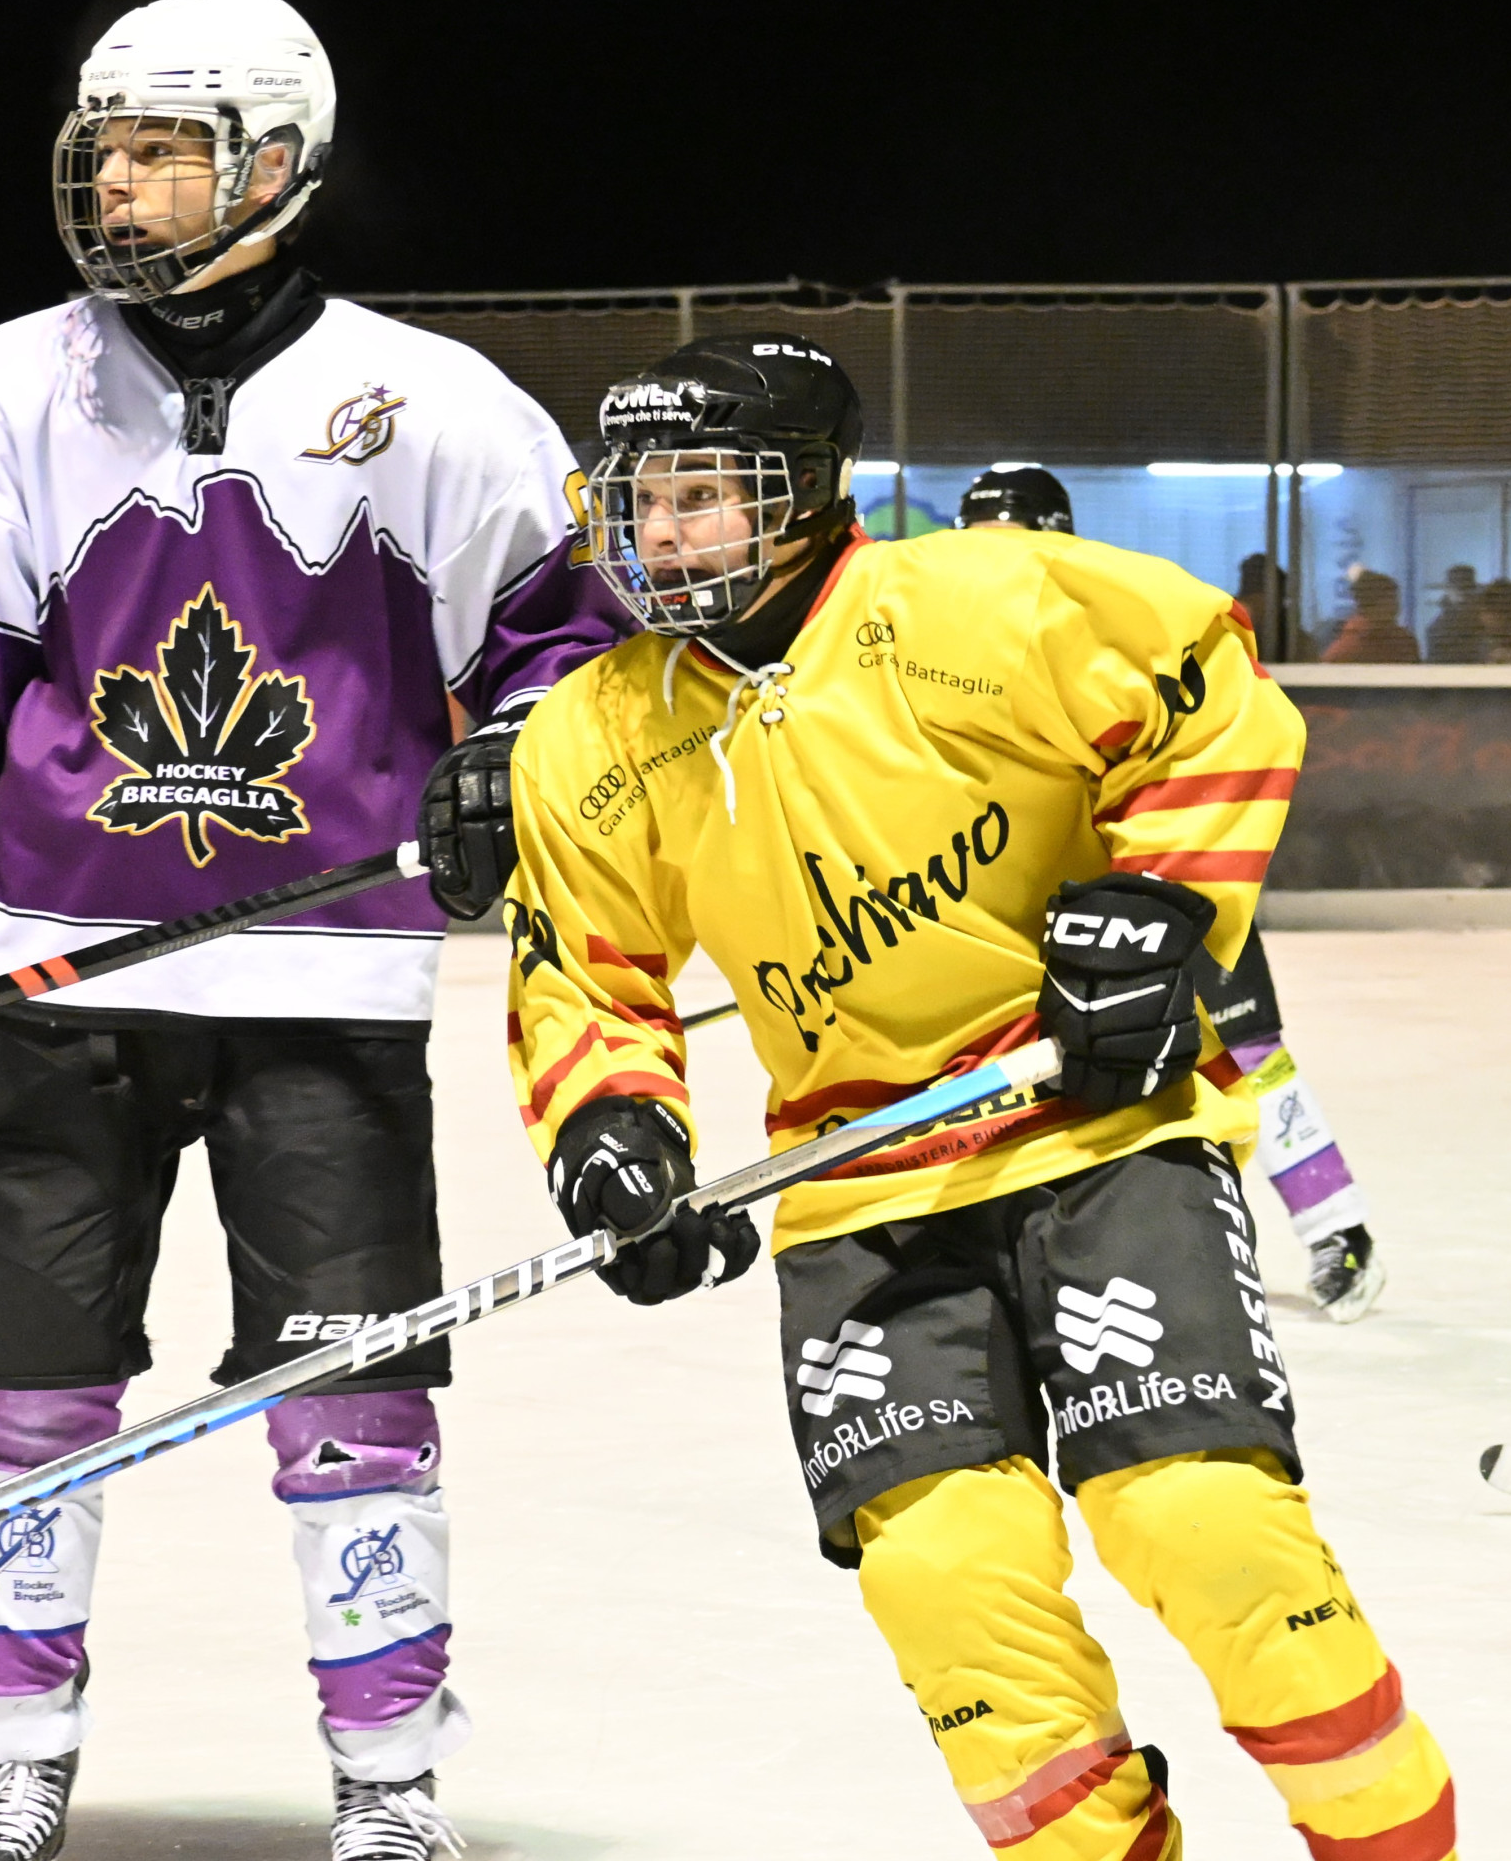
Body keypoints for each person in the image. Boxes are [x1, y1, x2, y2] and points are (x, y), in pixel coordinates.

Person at [0, 0, 631, 1861]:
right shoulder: (3, 387)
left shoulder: (441, 405)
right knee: (26, 1400)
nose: (114, 182)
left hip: (327, 988)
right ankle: (15, 1757)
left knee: (351, 1408)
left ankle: (388, 1784)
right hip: (46, 978)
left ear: (277, 161)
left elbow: (567, 649)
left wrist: (513, 758)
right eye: (102, 147)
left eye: (160, 149)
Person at [504, 342, 1455, 1861]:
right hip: (862, 1196)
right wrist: (612, 1132)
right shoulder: (593, 730)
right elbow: (587, 971)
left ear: (806, 493)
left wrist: (1161, 900)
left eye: (702, 494)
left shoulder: (980, 602)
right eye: (638, 500)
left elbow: (1206, 685)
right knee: (948, 1588)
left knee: (1203, 1525)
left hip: (1101, 1138)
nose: (660, 532)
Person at [961, 462, 1388, 1318]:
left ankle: (1337, 1228)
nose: (992, 559)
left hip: (1163, 885)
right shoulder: (950, 651)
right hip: (1043, 903)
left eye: (1010, 538)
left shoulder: (1109, 628)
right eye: (977, 541)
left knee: (1246, 1053)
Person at [1319, 568, 1420, 663]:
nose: (1396, 607)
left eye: (1395, 600)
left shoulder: (1404, 641)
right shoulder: (1349, 648)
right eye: (1390, 601)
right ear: (1369, 605)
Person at [1424, 562, 1484, 662]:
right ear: (1448, 589)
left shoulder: (1486, 620)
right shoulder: (1439, 629)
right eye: (1459, 588)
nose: (1464, 593)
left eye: (1468, 588)